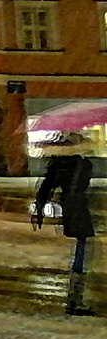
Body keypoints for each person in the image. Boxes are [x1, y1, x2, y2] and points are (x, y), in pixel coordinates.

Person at [33, 135, 97, 317]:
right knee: (82, 253)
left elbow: (47, 187)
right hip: (78, 208)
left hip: (70, 207)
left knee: (82, 251)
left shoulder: (61, 165)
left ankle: (75, 298)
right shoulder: (80, 164)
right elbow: (81, 185)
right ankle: (75, 300)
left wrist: (39, 208)